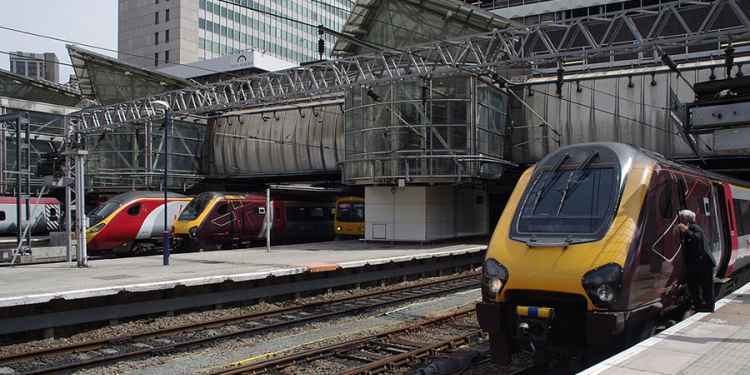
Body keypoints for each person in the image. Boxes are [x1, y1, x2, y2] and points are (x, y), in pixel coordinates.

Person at [677, 209, 716, 313]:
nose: (679, 220)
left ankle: (709, 307)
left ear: (686, 220)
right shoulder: (690, 228)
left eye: (681, 218)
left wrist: (686, 230)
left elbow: (697, 239)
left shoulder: (695, 228)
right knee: (693, 285)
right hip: (696, 265)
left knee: (706, 286)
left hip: (704, 264)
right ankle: (699, 305)